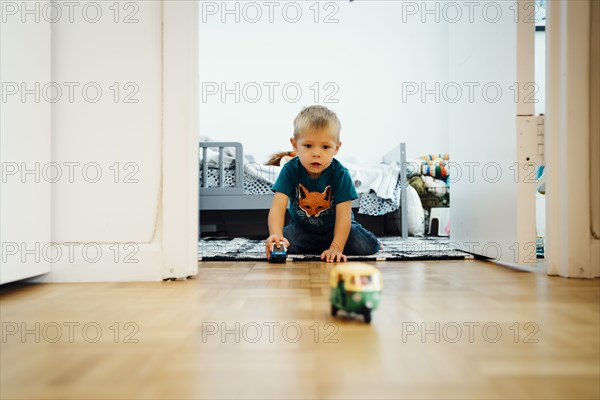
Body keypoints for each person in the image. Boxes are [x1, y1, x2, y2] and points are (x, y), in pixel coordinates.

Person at [265, 105, 380, 263]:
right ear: (295, 144)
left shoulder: (340, 174)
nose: (316, 153)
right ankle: (318, 246)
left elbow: (343, 217)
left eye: (325, 147)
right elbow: (277, 209)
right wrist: (276, 236)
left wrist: (337, 247)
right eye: (308, 146)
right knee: (285, 242)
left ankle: (366, 241)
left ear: (337, 148)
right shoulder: (289, 170)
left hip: (337, 229)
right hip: (302, 229)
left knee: (364, 245)